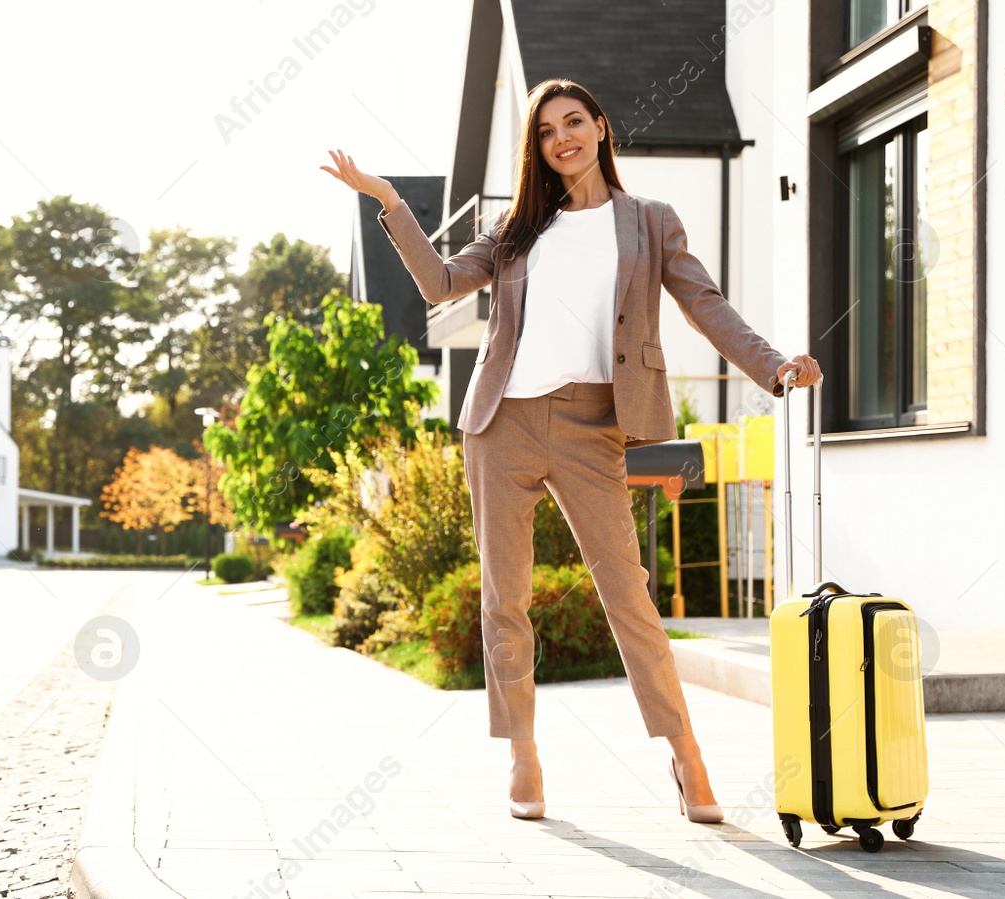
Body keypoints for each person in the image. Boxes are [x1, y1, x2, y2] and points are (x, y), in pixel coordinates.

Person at [321, 78, 822, 822]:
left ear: (601, 126)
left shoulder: (650, 222)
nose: (564, 137)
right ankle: (523, 750)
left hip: (595, 425)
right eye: (548, 129)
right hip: (503, 424)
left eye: (575, 121)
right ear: (539, 147)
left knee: (629, 593)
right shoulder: (518, 228)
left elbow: (705, 304)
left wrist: (773, 363)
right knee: (507, 598)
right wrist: (389, 199)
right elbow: (438, 285)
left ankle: (685, 751)